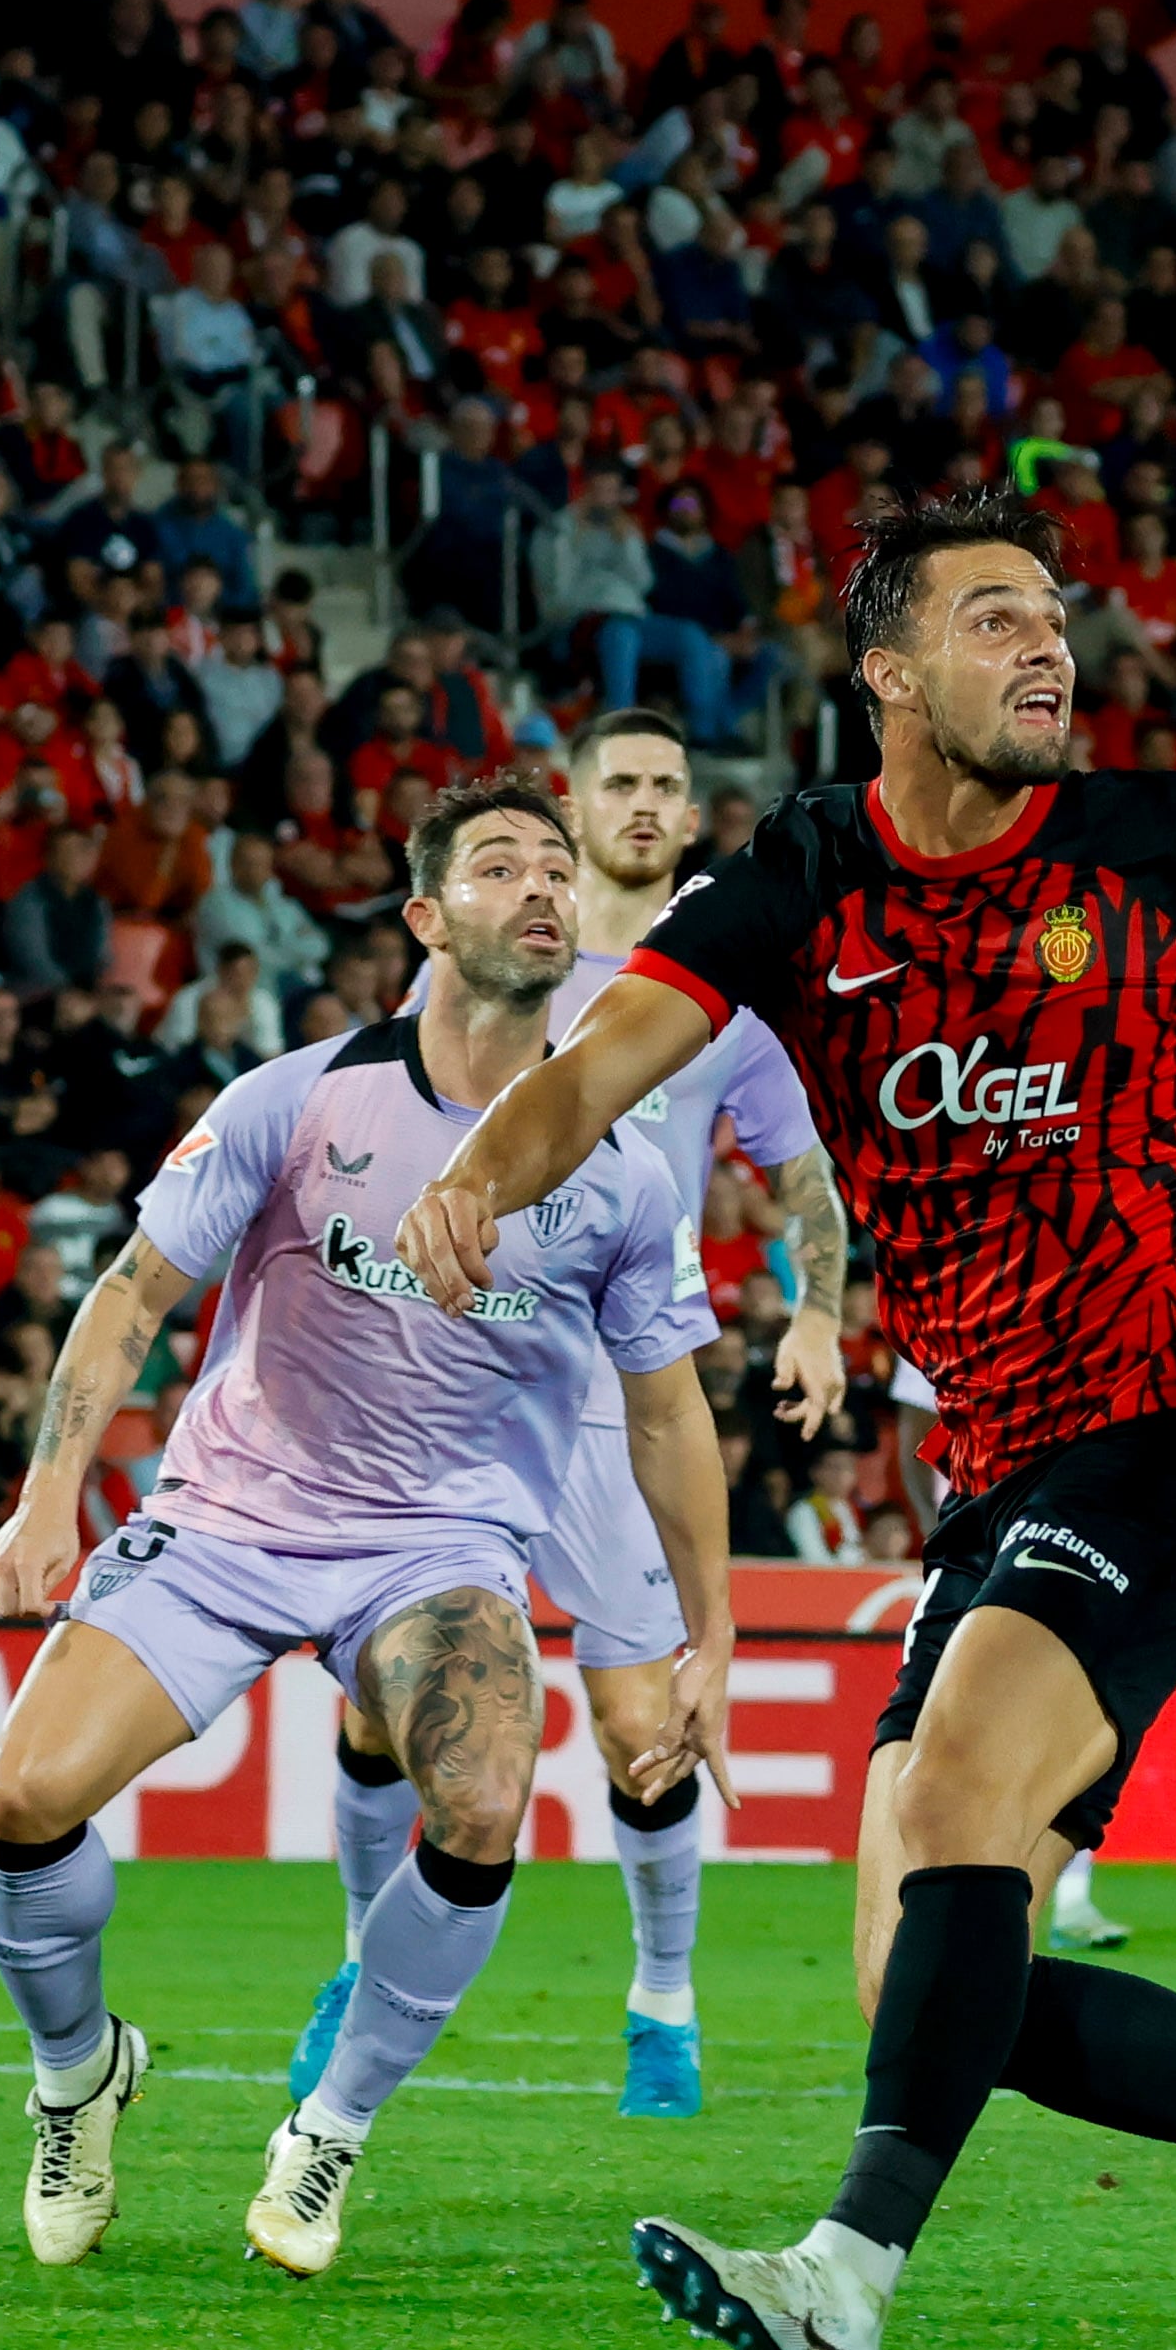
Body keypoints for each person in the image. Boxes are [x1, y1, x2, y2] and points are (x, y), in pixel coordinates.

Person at [388, 486, 1176, 2350]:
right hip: (994, 1475)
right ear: (889, 672)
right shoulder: (806, 872)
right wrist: (475, 1174)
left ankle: (843, 2283)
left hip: (1169, 1429)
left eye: (1053, 616)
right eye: (994, 620)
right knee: (923, 1971)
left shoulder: (1164, 842)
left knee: (965, 1797)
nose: (1046, 644)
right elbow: (600, 1067)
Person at [0, 776, 722, 2278]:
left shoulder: (621, 1173)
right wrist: (50, 1491)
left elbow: (666, 1416)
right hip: (230, 1516)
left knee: (485, 1799)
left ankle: (329, 2131)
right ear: (426, 918)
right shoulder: (298, 1098)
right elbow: (131, 1295)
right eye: (499, 865)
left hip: (438, 1547)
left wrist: (712, 1635)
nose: (541, 886)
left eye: (556, 868)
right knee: (24, 1802)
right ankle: (77, 2076)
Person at [281, 709, 856, 2122]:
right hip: (449, 1361)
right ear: (576, 813)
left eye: (670, 786)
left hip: (615, 1385)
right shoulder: (496, 956)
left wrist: (821, 1311)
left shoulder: (717, 999)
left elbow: (806, 1180)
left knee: (639, 1724)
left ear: (691, 816)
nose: (648, 805)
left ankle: (664, 2001)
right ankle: (356, 1959)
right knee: (386, 1702)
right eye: (622, 785)